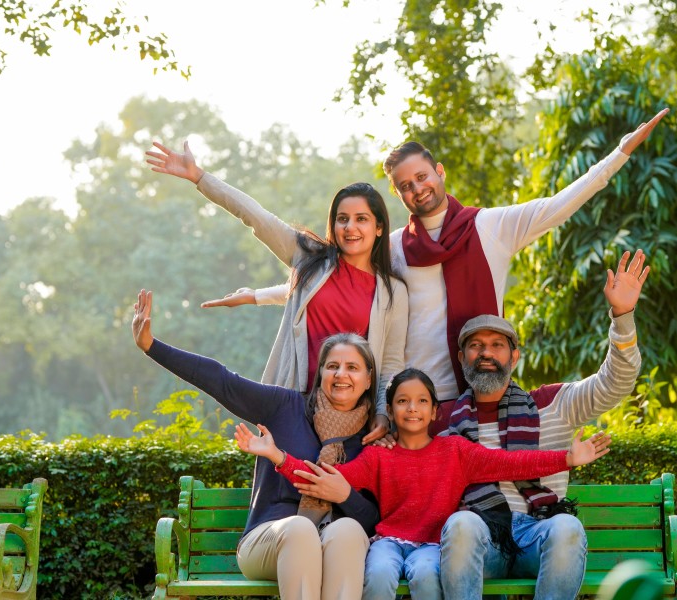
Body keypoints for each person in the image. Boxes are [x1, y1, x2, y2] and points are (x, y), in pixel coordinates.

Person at [230, 108, 668, 430]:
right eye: (405, 186)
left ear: (438, 172)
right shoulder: (397, 247)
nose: (417, 188)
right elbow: (339, 282)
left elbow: (557, 207)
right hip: (412, 403)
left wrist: (619, 154)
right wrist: (258, 295)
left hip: (474, 395)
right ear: (398, 196)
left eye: (422, 177)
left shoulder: (491, 227)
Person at [234, 368, 612, 600]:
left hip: (433, 545)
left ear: (434, 410)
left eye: (420, 401)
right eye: (402, 401)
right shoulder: (379, 456)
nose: (411, 408)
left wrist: (566, 458)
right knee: (379, 574)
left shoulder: (457, 451)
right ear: (392, 410)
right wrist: (277, 456)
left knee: (430, 578)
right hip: (388, 541)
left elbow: (511, 462)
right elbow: (321, 479)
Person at [145, 142, 408, 442]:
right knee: (283, 480)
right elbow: (257, 217)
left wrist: (382, 413)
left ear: (378, 227)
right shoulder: (310, 259)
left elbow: (390, 365)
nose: (350, 227)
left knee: (336, 488)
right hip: (292, 403)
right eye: (342, 218)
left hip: (352, 418)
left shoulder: (392, 291)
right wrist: (199, 177)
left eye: (361, 219)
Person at [131, 289, 381, 600]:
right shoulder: (283, 405)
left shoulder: (374, 437)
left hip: (331, 541)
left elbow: (374, 520)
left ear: (369, 379)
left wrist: (344, 494)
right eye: (332, 366)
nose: (340, 374)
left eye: (352, 367)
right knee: (300, 531)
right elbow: (221, 380)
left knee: (349, 530)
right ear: (321, 373)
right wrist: (151, 347)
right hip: (268, 539)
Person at [438, 249, 650, 599]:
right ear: (462, 358)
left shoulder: (553, 404)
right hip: (483, 540)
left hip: (539, 536)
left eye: (497, 345)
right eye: (476, 346)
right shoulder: (446, 423)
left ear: (515, 357)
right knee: (460, 523)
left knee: (567, 527)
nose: (486, 353)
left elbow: (617, 381)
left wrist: (623, 316)